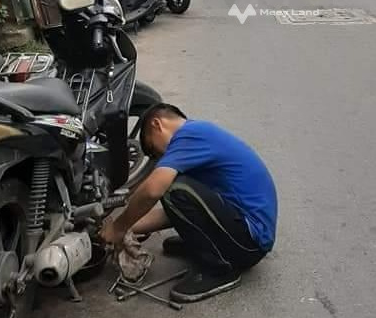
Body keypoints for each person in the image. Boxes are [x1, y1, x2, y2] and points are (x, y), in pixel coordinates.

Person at [101, 103, 278, 303]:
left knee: (172, 188)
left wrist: (119, 226)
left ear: (157, 125)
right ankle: (210, 245)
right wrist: (129, 229)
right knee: (176, 190)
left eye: (152, 149)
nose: (157, 158)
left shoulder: (189, 134)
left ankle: (219, 270)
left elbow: (153, 191)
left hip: (249, 242)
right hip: (243, 233)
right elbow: (180, 211)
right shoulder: (197, 139)